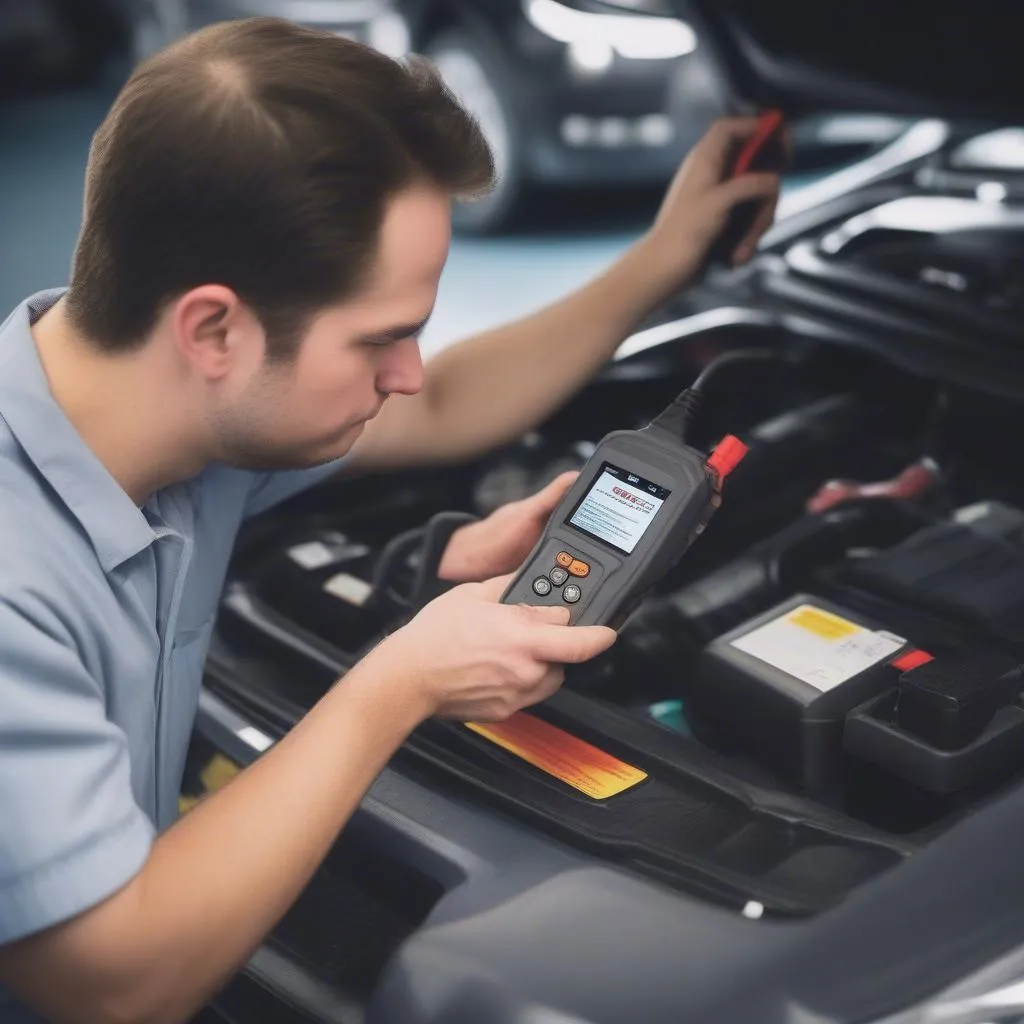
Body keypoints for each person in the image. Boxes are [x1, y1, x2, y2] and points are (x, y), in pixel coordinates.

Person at [0, 16, 780, 1024]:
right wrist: (396, 683)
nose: (407, 373)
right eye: (383, 338)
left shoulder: (141, 392)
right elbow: (115, 982)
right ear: (213, 328)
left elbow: (447, 405)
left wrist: (662, 258)